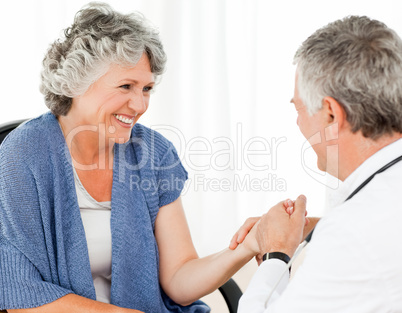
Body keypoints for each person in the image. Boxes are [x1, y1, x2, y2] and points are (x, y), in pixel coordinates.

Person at [0, 3, 260, 312]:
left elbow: (179, 281)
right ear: (77, 83)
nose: (139, 105)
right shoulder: (21, 156)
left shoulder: (152, 152)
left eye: (147, 88)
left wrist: (246, 246)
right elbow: (18, 293)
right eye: (126, 86)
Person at [237, 15, 402, 312]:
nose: (298, 122)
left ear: (330, 114)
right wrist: (320, 229)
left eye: (298, 108)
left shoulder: (352, 233)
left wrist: (277, 253)